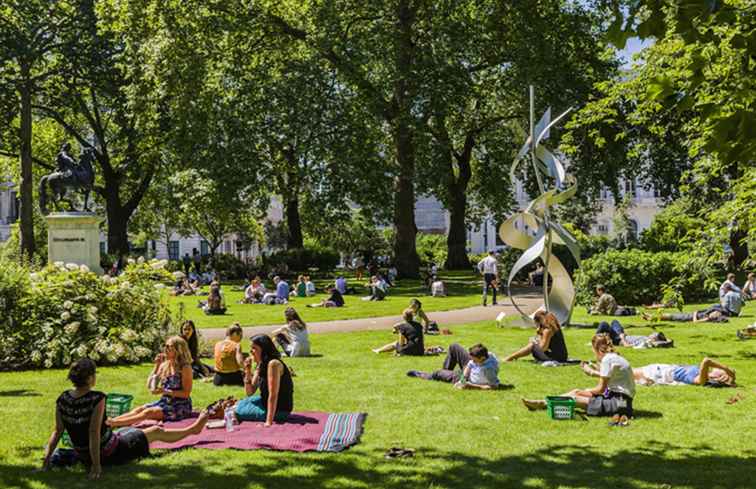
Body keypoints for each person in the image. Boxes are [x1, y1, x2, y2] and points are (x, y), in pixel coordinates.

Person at [42, 359, 209, 479]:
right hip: (111, 452)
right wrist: (96, 466)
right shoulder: (96, 398)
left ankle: (125, 434)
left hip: (83, 453)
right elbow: (93, 432)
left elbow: (57, 431)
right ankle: (193, 429)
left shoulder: (63, 398)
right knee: (155, 431)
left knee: (127, 430)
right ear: (90, 378)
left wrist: (47, 460)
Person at [522, 333, 635, 419]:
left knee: (575, 399)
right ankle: (542, 402)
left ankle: (542, 404)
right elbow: (611, 379)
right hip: (620, 400)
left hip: (619, 404)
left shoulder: (607, 360)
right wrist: (591, 373)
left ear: (595, 349)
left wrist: (587, 388)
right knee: (576, 391)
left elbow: (601, 389)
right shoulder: (614, 357)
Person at [108, 337, 194, 427]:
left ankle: (113, 424)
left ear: (178, 350)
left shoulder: (185, 368)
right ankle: (112, 421)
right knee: (140, 409)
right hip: (165, 402)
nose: (165, 349)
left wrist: (164, 391)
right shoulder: (165, 365)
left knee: (148, 412)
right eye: (165, 346)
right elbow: (149, 385)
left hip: (180, 406)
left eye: (169, 347)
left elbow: (186, 394)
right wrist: (157, 366)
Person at [235, 335, 294, 425]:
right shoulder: (261, 365)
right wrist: (247, 371)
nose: (251, 351)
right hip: (264, 402)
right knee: (239, 403)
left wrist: (268, 422)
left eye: (254, 348)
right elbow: (250, 392)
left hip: (280, 410)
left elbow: (273, 395)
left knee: (237, 410)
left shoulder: (273, 364)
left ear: (264, 349)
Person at [407, 343, 500, 390]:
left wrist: (469, 385)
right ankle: (445, 373)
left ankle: (424, 375)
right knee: (454, 347)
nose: (472, 361)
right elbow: (470, 364)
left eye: (474, 359)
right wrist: (463, 378)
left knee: (437, 373)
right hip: (467, 375)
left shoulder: (488, 370)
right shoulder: (489, 355)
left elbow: (493, 386)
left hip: (471, 381)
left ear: (483, 358)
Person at [504, 310, 568, 363]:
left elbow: (543, 348)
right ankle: (512, 357)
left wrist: (536, 340)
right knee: (533, 344)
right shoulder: (554, 327)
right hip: (562, 357)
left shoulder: (547, 330)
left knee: (532, 345)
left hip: (556, 359)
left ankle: (510, 357)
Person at [633, 357, 736, 387]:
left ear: (719, 377)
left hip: (658, 373)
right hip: (661, 369)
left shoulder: (701, 379)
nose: (718, 368)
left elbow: (706, 361)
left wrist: (727, 369)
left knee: (622, 371)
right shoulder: (702, 374)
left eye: (721, 371)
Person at [595, 319, 673, 348]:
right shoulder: (646, 338)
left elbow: (667, 342)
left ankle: (595, 340)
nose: (652, 333)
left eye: (654, 334)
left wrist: (622, 338)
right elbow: (668, 340)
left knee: (604, 324)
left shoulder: (647, 342)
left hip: (619, 340)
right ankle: (620, 332)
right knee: (614, 322)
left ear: (654, 338)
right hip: (622, 337)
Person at [641, 309, 728, 323]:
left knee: (670, 316)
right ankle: (650, 316)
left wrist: (694, 313)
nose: (713, 312)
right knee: (669, 315)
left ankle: (650, 317)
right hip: (688, 315)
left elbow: (695, 322)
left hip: (687, 317)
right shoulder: (708, 314)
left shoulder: (707, 318)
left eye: (715, 313)